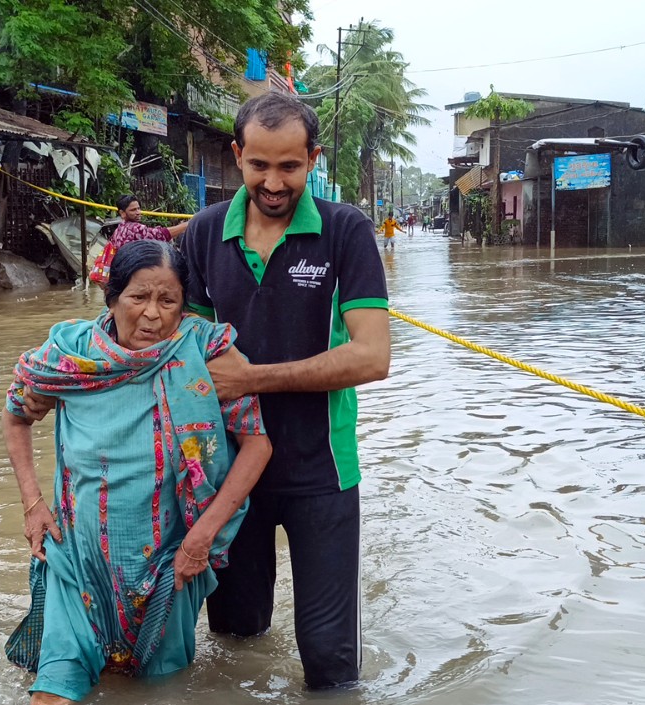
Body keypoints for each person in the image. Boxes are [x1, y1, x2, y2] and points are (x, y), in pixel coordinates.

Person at [179, 92, 390, 689]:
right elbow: (175, 350)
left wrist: (252, 379)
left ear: (313, 160)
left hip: (320, 470)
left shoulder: (344, 232)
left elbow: (372, 357)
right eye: (259, 165)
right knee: (235, 643)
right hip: (229, 474)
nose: (273, 182)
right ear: (237, 156)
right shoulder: (201, 235)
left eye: (290, 167)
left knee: (330, 664)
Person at [2, 240, 273, 705]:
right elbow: (15, 416)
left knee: (160, 691)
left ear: (183, 305)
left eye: (167, 301)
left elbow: (257, 444)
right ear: (112, 298)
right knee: (51, 693)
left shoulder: (207, 352)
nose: (152, 315)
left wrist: (201, 539)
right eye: (138, 298)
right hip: (77, 559)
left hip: (171, 562)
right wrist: (32, 505)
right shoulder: (71, 357)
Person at [90, 195, 189, 286]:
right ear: (122, 213)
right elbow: (161, 235)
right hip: (131, 274)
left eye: (138, 208)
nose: (138, 212)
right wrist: (187, 225)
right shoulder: (136, 228)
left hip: (121, 273)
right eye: (133, 210)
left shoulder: (121, 226)